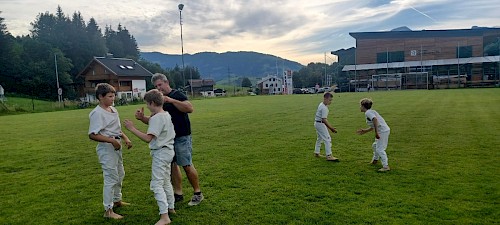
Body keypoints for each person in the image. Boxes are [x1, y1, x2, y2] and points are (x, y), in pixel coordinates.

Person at [135, 73, 204, 206]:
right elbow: (154, 121)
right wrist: (142, 118)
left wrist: (171, 100)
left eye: (160, 84)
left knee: (187, 165)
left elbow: (189, 108)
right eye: (156, 86)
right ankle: (178, 193)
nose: (158, 88)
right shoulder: (158, 100)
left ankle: (197, 193)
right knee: (172, 166)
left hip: (182, 136)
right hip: (167, 140)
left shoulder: (177, 94)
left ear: (167, 82)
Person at [124, 89, 176, 225]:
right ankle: (171, 207)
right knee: (165, 181)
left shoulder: (157, 118)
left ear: (152, 103)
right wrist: (142, 118)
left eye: (147, 103)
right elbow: (153, 122)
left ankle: (164, 217)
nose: (146, 106)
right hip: (168, 151)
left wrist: (131, 128)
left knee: (156, 184)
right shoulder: (165, 114)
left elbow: (148, 138)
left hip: (161, 153)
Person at [88, 83, 132, 219]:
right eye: (110, 96)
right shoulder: (97, 113)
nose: (113, 99)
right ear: (100, 97)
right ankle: (108, 210)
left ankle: (117, 200)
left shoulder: (113, 110)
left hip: (116, 146)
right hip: (106, 149)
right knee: (110, 177)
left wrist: (125, 138)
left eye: (114, 96)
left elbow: (117, 129)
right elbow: (92, 134)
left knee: (120, 173)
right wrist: (112, 141)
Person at [356, 98, 391, 172]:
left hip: (383, 131)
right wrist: (365, 131)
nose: (359, 107)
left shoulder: (368, 113)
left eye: (360, 106)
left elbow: (375, 120)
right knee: (375, 146)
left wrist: (377, 133)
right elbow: (374, 124)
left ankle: (386, 166)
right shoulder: (371, 111)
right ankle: (375, 160)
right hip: (383, 130)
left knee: (380, 149)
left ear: (363, 106)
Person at [314, 92, 339, 161]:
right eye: (329, 100)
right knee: (327, 139)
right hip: (320, 124)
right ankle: (329, 155)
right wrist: (331, 128)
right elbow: (324, 119)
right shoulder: (324, 108)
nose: (330, 102)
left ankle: (317, 152)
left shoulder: (321, 104)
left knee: (319, 138)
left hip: (317, 123)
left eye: (331, 100)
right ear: (325, 99)